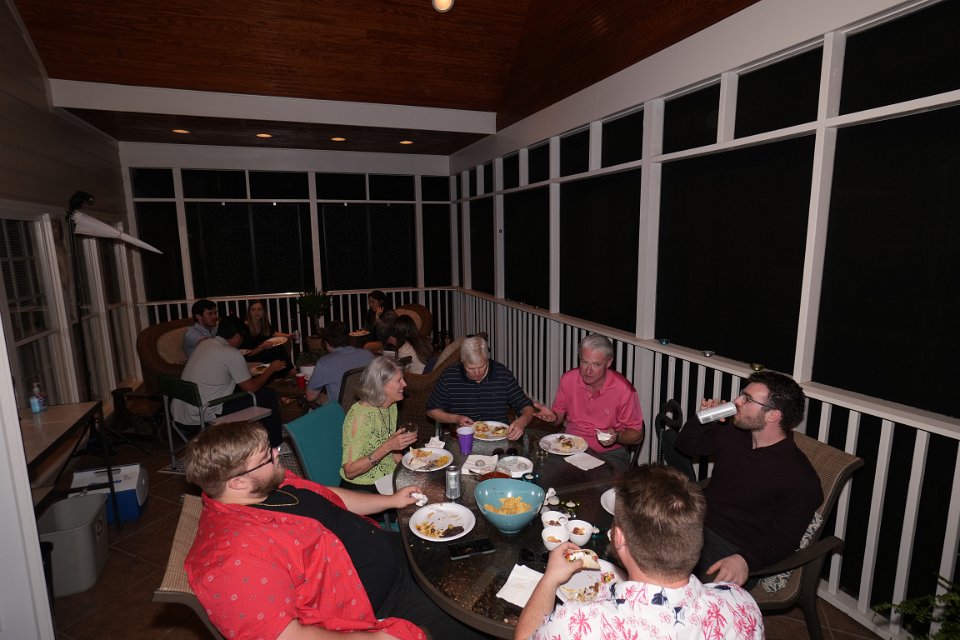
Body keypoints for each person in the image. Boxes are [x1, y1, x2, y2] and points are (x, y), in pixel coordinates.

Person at [183, 421, 489, 640]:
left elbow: (328, 497)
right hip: (388, 601)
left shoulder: (266, 484)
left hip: (394, 551)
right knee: (476, 624)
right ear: (237, 482)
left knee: (477, 557)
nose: (278, 455)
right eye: (267, 456)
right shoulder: (233, 557)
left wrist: (390, 500)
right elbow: (284, 635)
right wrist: (374, 638)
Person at [514, 464, 764, 640]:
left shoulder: (577, 625)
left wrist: (550, 578)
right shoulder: (742, 603)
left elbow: (525, 636)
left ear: (619, 537)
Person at [675, 370, 822, 587]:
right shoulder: (733, 434)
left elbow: (784, 539)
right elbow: (685, 445)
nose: (736, 401)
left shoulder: (799, 476)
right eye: (741, 395)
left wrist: (744, 559)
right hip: (694, 525)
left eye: (747, 399)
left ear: (773, 415)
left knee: (681, 593)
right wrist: (705, 418)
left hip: (733, 551)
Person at [533, 334, 644, 471]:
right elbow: (558, 417)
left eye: (596, 364)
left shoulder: (623, 390)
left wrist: (617, 436)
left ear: (608, 363)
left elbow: (637, 435)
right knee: (539, 468)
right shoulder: (569, 379)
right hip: (570, 446)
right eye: (585, 362)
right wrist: (553, 418)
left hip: (609, 454)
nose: (588, 370)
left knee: (596, 480)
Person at [172, 315, 286, 447]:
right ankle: (277, 444)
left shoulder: (205, 344)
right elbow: (252, 388)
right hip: (203, 416)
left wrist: (246, 366)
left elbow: (219, 366)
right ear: (237, 336)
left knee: (242, 391)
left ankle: (265, 432)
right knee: (268, 395)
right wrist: (271, 369)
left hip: (181, 413)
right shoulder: (231, 353)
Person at [426, 335, 534, 440]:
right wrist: (456, 418)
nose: (477, 373)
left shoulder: (502, 374)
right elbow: (431, 410)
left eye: (482, 366)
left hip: (499, 437)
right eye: (471, 368)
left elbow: (526, 406)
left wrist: (523, 421)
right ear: (462, 361)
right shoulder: (449, 376)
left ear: (487, 359)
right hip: (464, 438)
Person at [340, 356, 419, 492]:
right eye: (399, 380)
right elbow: (350, 471)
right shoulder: (361, 417)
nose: (405, 384)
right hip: (363, 487)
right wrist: (388, 446)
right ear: (381, 384)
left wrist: (412, 469)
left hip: (387, 477)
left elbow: (393, 451)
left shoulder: (390, 405)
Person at [306, 320, 375, 405]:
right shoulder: (368, 355)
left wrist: (320, 396)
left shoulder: (324, 363)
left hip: (342, 411)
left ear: (326, 343)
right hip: (367, 407)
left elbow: (310, 397)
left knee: (318, 400)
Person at [240, 299, 292, 375]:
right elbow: (247, 354)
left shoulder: (264, 324)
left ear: (263, 312)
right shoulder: (244, 327)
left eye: (259, 309)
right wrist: (262, 347)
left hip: (261, 353)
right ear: (249, 312)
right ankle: (289, 371)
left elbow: (274, 334)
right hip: (250, 357)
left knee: (278, 347)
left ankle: (287, 372)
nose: (256, 312)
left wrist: (289, 336)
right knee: (276, 351)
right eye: (253, 310)